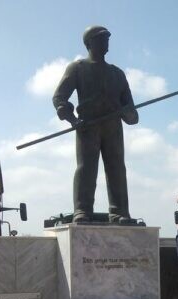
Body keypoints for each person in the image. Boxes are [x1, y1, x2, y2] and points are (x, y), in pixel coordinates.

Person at [52, 26, 139, 224]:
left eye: (107, 39)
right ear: (89, 43)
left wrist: (127, 112)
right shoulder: (78, 68)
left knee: (117, 168)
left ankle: (120, 211)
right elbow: (59, 97)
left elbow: (132, 113)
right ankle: (82, 210)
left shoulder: (118, 74)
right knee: (86, 168)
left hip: (113, 128)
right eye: (101, 39)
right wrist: (72, 119)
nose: (106, 43)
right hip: (88, 126)